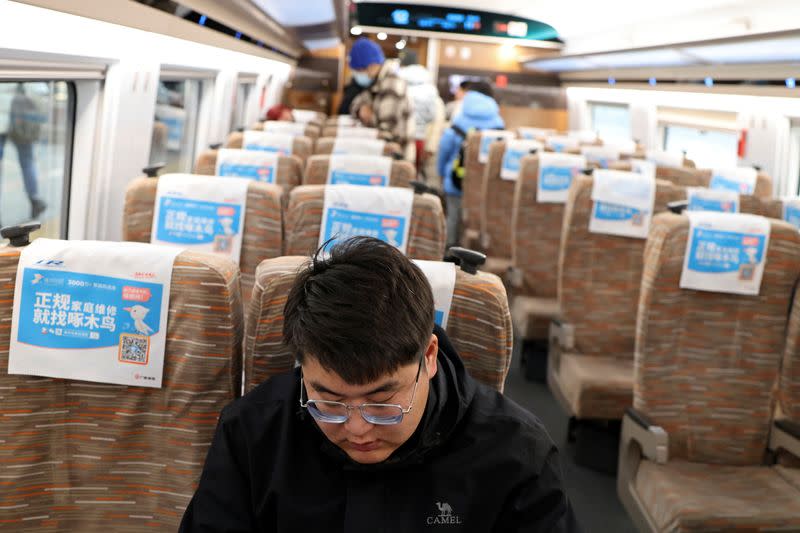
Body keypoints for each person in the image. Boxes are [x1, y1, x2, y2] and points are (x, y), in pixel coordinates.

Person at [179, 236, 580, 532]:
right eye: (329, 401)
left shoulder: (515, 454)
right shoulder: (251, 434)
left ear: (429, 357)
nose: (357, 428)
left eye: (382, 400)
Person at [437, 81, 504, 248]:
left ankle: (450, 252)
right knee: (478, 221)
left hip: (456, 180)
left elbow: (444, 148)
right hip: (484, 186)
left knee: (454, 218)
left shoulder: (460, 118)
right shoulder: (498, 122)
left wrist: (441, 173)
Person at [348, 37, 413, 159]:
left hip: (395, 159)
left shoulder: (391, 85)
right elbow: (354, 105)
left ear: (370, 66)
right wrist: (360, 110)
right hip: (381, 154)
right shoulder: (374, 83)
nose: (357, 74)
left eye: (358, 70)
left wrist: (368, 116)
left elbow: (387, 130)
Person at [0, 82, 46, 226]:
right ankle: (35, 199)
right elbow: (40, 88)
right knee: (27, 162)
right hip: (21, 119)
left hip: (3, 119)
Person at [398, 57, 445, 183]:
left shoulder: (400, 87)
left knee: (402, 174)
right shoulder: (432, 92)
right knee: (416, 174)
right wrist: (431, 147)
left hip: (404, 138)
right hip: (423, 139)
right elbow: (437, 122)